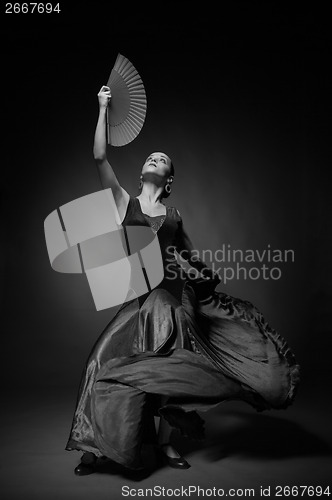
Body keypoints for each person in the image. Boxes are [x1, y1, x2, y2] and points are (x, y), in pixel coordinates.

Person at [65, 86, 300, 476]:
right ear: (142, 172)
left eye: (162, 160)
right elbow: (99, 155)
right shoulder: (125, 202)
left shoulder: (173, 216)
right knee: (100, 363)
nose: (155, 159)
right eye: (150, 157)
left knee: (167, 368)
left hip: (171, 302)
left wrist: (206, 279)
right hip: (138, 302)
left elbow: (189, 256)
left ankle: (164, 444)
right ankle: (93, 447)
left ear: (169, 179)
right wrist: (103, 107)